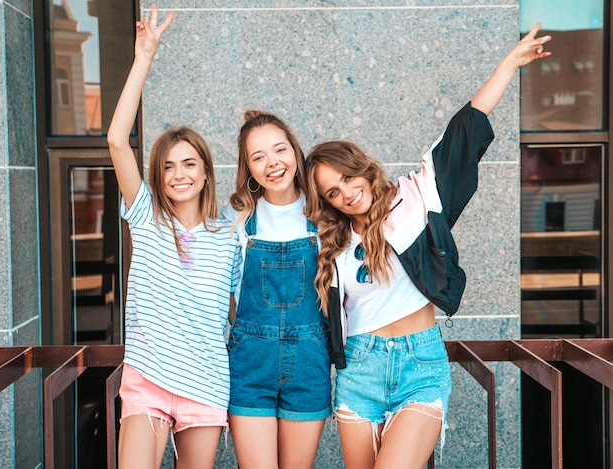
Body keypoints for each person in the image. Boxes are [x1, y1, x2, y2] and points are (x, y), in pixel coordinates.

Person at [303, 24, 552, 469]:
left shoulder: (414, 198)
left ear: (361, 168)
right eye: (332, 194)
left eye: (346, 178)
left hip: (420, 366)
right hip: (359, 372)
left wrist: (508, 65)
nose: (345, 193)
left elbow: (463, 133)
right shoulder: (331, 245)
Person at [106, 7, 241, 469]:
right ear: (158, 177)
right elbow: (117, 140)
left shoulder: (228, 236)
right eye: (168, 166)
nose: (179, 174)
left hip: (206, 382)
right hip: (148, 379)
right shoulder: (146, 217)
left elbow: (235, 310)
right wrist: (145, 56)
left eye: (189, 164)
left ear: (206, 172)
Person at [222, 111, 332, 469]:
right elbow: (221, 292)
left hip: (309, 361)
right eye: (258, 157)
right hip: (250, 363)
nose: (272, 163)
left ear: (295, 152)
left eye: (279, 149)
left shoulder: (326, 213)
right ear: (248, 168)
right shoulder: (236, 218)